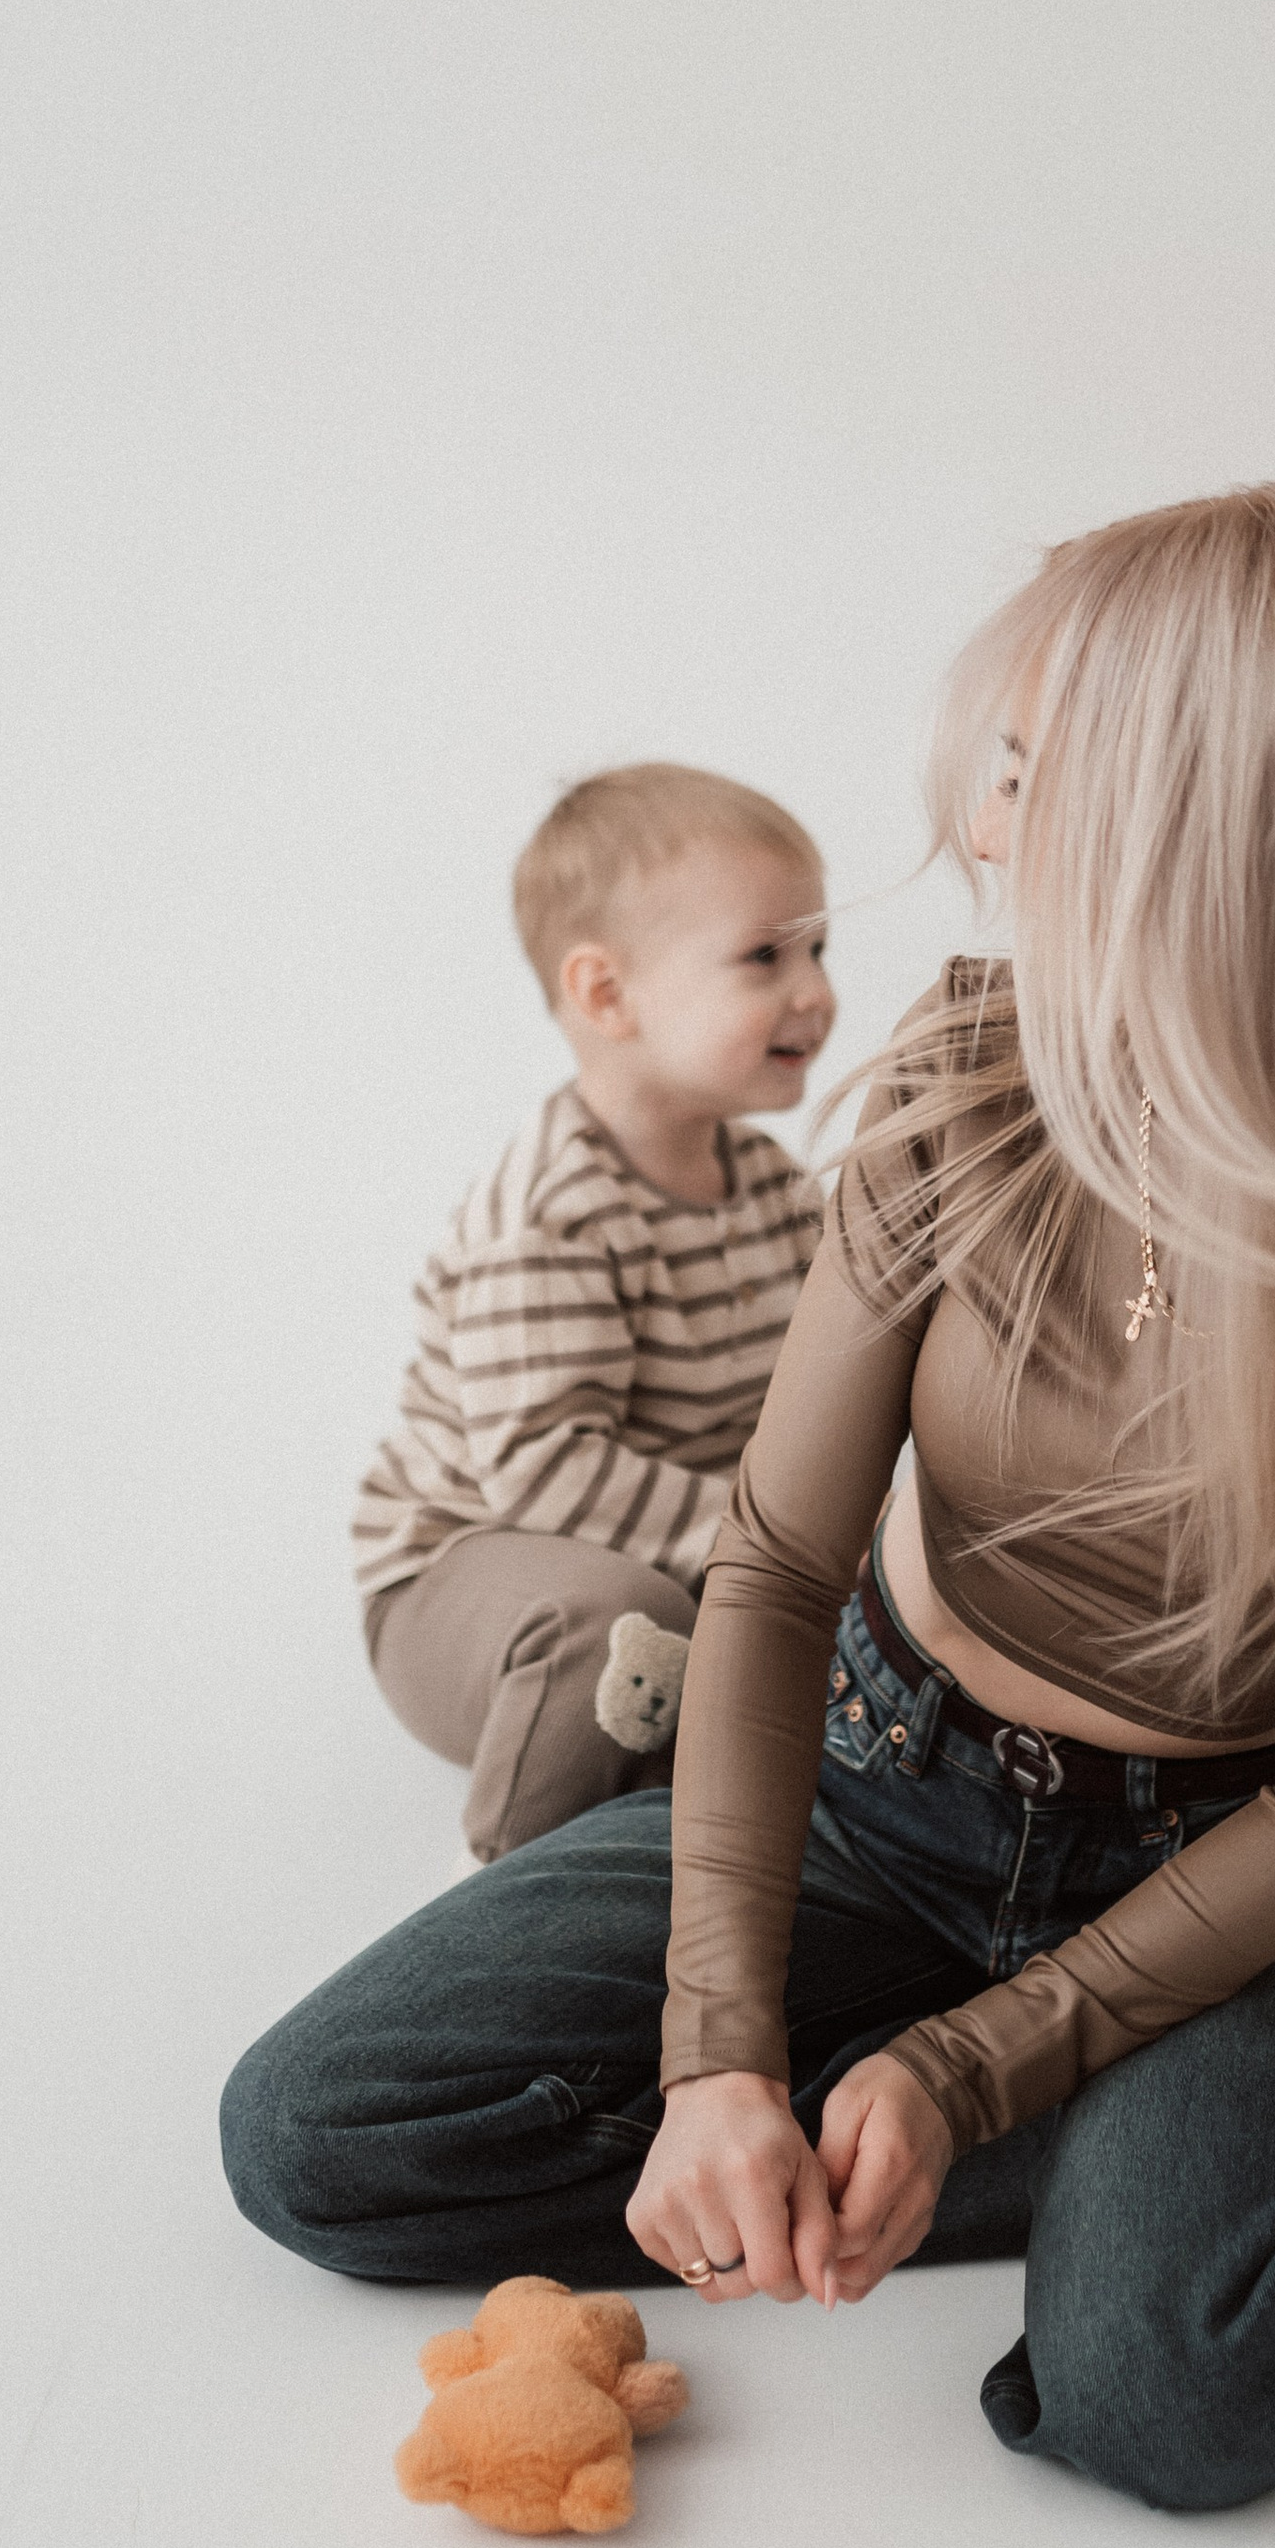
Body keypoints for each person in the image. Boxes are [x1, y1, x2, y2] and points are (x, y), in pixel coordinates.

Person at [233, 490, 1275, 2511]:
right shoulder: (970, 1072)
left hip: (1235, 1863)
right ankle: (1177, 2155)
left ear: (1213, 826)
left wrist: (974, 2065)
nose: (977, 832)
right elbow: (781, 1557)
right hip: (877, 1776)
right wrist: (720, 2066)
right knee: (323, 2135)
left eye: (1021, 776)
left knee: (1171, 2394)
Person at [353, 761, 835, 1861]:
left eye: (817, 950)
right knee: (617, 1625)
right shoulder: (553, 1210)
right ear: (607, 996)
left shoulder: (774, 1192)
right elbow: (546, 1469)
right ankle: (509, 1946)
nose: (813, 990)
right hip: (464, 1571)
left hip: (687, 1558)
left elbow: (829, 1396)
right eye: (766, 956)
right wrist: (785, 1552)